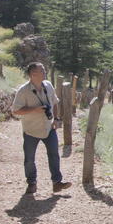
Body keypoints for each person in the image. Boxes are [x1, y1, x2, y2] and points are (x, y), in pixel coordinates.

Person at [11, 63, 72, 194]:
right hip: (31, 130)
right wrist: (34, 110)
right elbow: (15, 111)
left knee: (54, 155)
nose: (45, 72)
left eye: (44, 70)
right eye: (42, 71)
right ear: (33, 74)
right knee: (29, 159)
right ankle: (31, 183)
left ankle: (57, 183)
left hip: (49, 127)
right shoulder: (23, 90)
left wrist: (56, 119)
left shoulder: (48, 85)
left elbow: (55, 103)